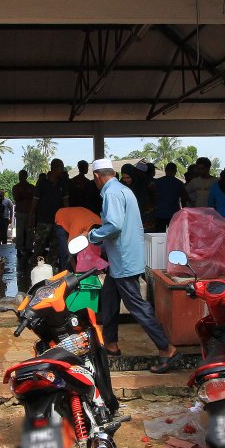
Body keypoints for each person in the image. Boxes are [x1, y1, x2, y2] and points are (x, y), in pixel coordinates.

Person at [87, 159, 176, 373]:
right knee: (108, 299)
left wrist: (93, 235)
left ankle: (167, 349)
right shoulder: (122, 189)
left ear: (97, 176)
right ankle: (111, 344)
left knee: (137, 305)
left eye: (95, 179)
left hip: (123, 259)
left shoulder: (112, 193)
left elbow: (114, 225)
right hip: (121, 258)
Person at [33, 159, 69, 267]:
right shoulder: (42, 182)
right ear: (55, 168)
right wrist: (31, 216)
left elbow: (66, 201)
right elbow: (35, 200)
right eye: (61, 168)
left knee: (55, 247)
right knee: (39, 246)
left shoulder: (63, 182)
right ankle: (34, 269)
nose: (62, 170)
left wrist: (67, 219)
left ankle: (50, 269)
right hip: (43, 220)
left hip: (58, 221)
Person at [153, 162, 187, 232]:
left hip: (160, 213)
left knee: (159, 236)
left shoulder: (157, 182)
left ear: (165, 170)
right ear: (175, 171)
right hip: (173, 214)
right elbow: (183, 199)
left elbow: (153, 197)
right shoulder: (179, 183)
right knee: (173, 236)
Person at [12, 169, 36, 257]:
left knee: (24, 232)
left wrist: (23, 195)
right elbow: (17, 197)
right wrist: (28, 195)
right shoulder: (31, 187)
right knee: (24, 232)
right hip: (24, 212)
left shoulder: (17, 187)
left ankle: (24, 249)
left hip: (24, 212)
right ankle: (23, 249)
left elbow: (18, 197)